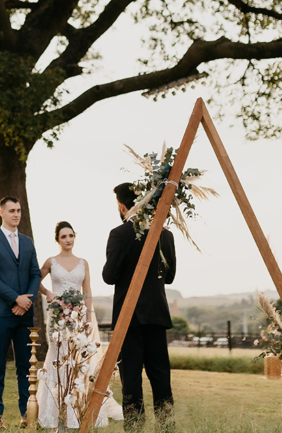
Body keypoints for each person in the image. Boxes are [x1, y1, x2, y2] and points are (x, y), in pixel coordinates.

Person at [103, 183, 177, 431]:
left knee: (131, 380)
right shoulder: (165, 234)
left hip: (129, 318)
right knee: (161, 378)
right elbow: (170, 276)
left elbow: (109, 276)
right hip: (157, 315)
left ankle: (134, 429)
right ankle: (166, 427)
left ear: (122, 205)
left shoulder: (120, 233)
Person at [35, 221, 124, 428]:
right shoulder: (51, 261)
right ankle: (54, 410)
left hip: (78, 318)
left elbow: (87, 292)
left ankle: (77, 411)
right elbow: (35, 280)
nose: (68, 240)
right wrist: (48, 293)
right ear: (57, 239)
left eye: (71, 235)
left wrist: (88, 319)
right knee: (58, 359)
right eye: (63, 236)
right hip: (58, 318)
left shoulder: (83, 263)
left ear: (75, 237)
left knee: (79, 361)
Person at [0, 196, 41, 431]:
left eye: (19, 210)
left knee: (26, 366)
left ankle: (27, 413)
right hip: (0, 314)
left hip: (25, 314)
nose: (16, 214)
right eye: (12, 210)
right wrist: (15, 298)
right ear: (1, 213)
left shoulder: (27, 242)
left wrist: (27, 300)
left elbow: (36, 274)